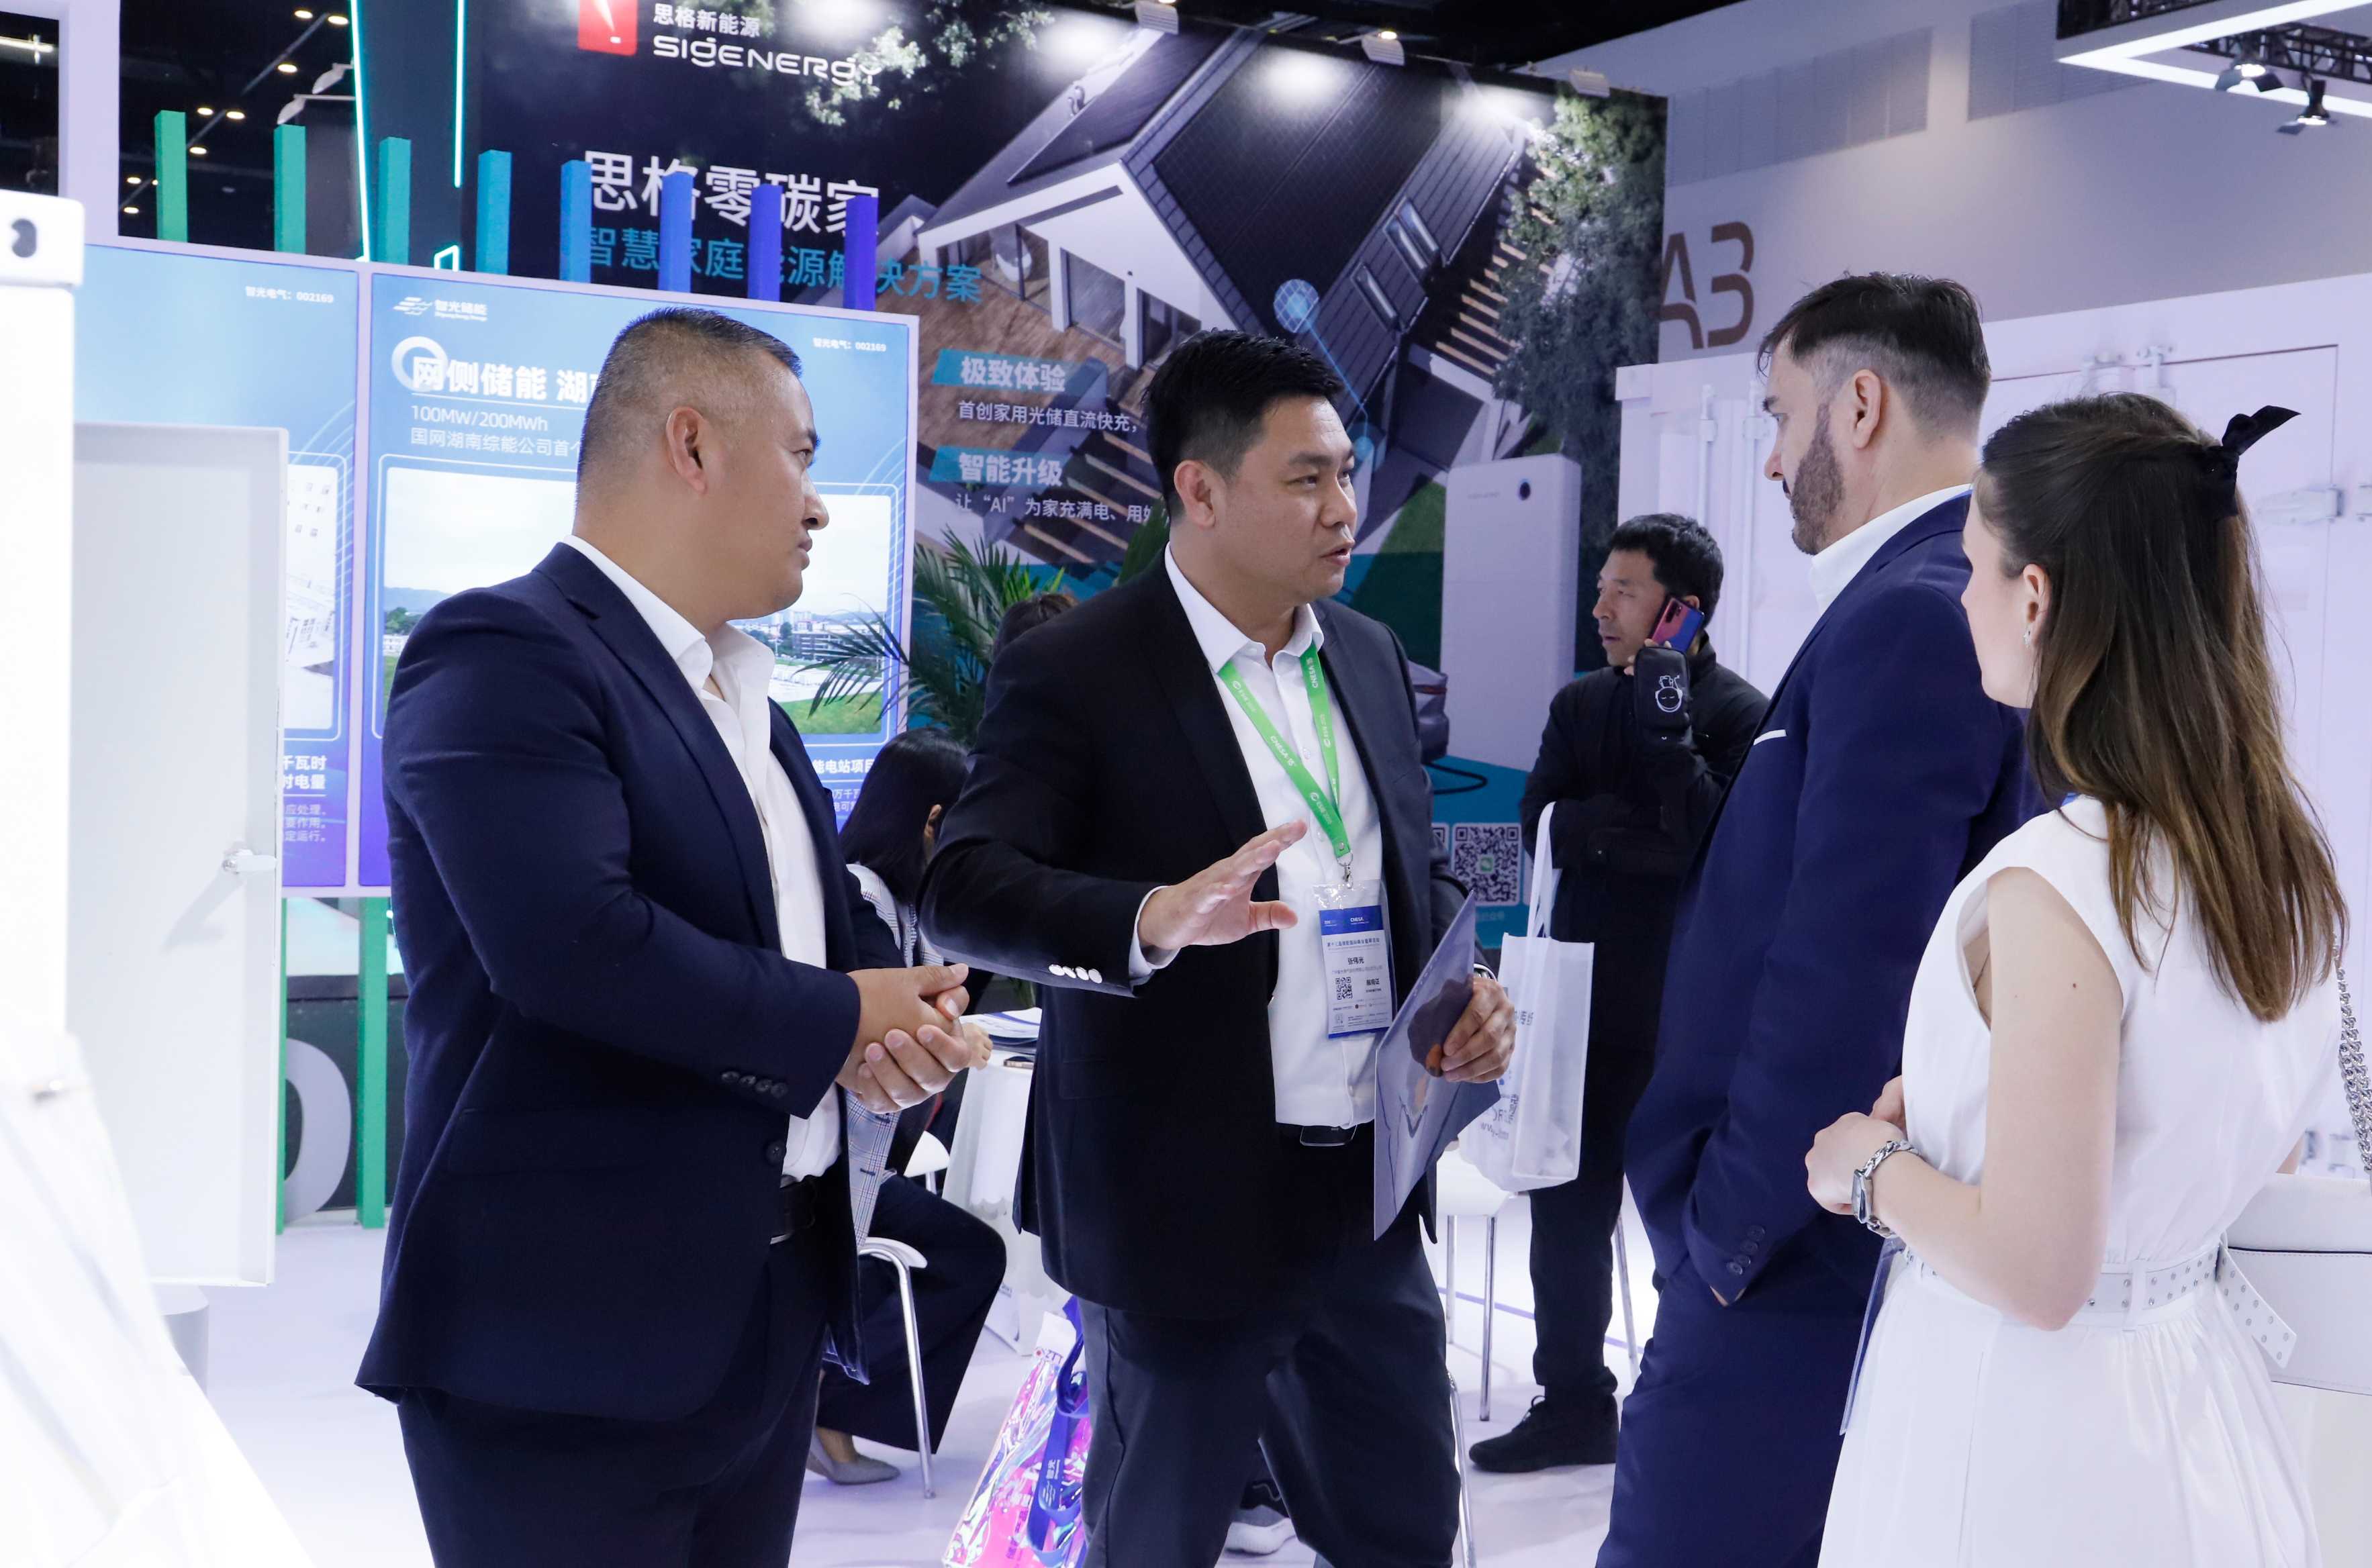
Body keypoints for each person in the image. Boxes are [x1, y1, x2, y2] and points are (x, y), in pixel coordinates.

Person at [357, 306, 985, 1567]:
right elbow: (572, 947)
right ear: (691, 444)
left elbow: (803, 959)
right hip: (565, 1343)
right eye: (801, 456)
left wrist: (883, 1039)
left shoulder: (749, 703)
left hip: (764, 1316)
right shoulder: (506, 649)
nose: (819, 506)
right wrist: (841, 1019)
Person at [924, 330, 1517, 1568]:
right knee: (1158, 1537)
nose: (1345, 508)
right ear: (1199, 489)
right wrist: (1145, 919)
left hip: (1366, 1199)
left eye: (1346, 472)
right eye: (1306, 479)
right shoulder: (1080, 668)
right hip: (1179, 1204)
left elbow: (1402, 870)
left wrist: (1461, 997)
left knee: (1408, 1531)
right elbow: (962, 889)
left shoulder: (1366, 655)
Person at [1809, 391, 2346, 1565]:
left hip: (2033, 1432)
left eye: (1975, 568)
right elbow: (2228, 1147)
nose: (1964, 599)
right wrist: (1964, 1114)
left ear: (2036, 596)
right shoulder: (2274, 863)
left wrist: (1866, 1168)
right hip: (2197, 1399)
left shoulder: (2060, 879)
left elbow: (2038, 1270)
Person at [1601, 274, 2034, 1568]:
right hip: (1833, 1230)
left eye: (1781, 416)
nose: (1776, 459)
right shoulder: (1944, 597)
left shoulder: (1913, 613)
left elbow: (1852, 966)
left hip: (1797, 1251)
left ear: (1861, 405)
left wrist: (1731, 1227)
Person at [1483, 513, 1766, 1473]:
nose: (1600, 607)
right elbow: (1541, 823)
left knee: (1686, 1224)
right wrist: (1632, 832)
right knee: (1564, 1215)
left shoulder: (1739, 710)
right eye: (1601, 587)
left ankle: (1697, 1401)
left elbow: (1716, 844)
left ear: (1681, 610)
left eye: (1623, 590)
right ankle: (1573, 1405)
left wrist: (1662, 740)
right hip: (1575, 1005)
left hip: (1684, 1016)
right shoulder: (1578, 704)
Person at [807, 730, 1012, 1485]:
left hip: (859, 1166)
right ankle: (824, 1400)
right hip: (827, 1173)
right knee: (970, 1256)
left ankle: (829, 1401)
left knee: (971, 1254)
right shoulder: (857, 899)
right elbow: (894, 1027)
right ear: (932, 824)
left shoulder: (904, 909)